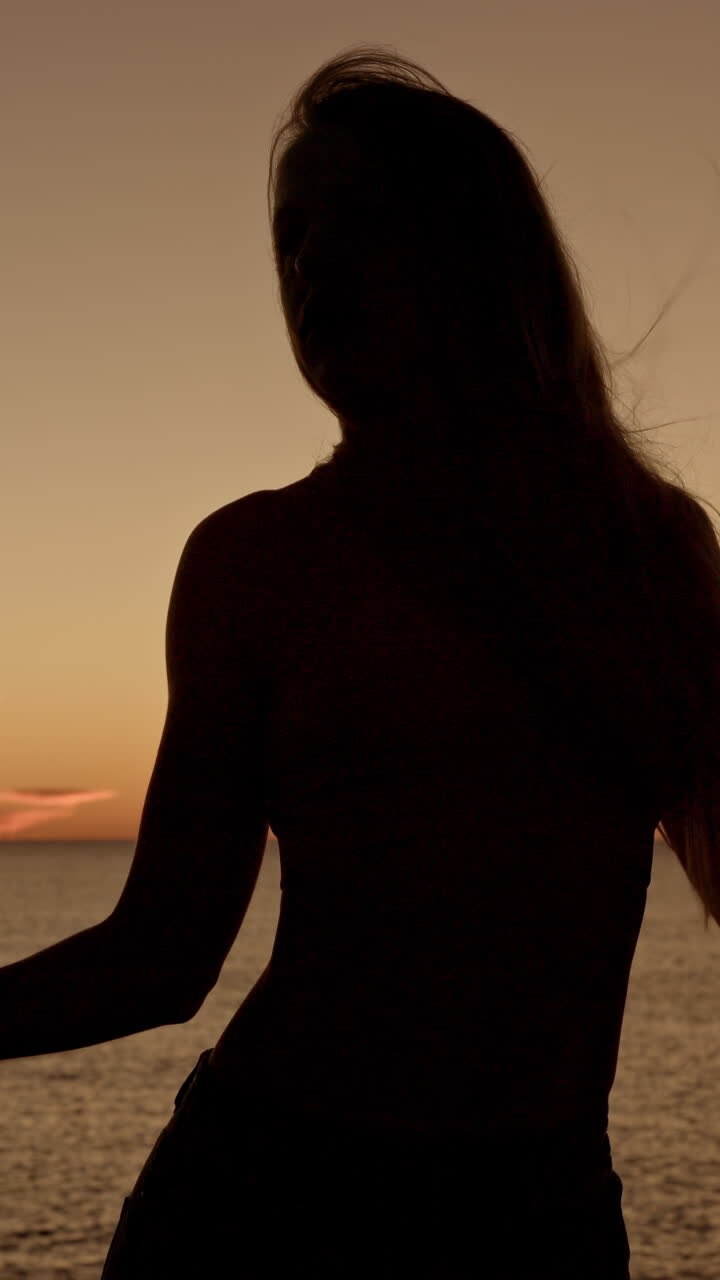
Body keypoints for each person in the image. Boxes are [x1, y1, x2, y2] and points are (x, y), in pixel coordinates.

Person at [3, 45, 719, 1279]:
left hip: (537, 1215)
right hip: (267, 1200)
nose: (311, 269)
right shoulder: (256, 560)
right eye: (290, 237)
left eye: (359, 223)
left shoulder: (649, 548)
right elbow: (162, 953)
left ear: (472, 253)